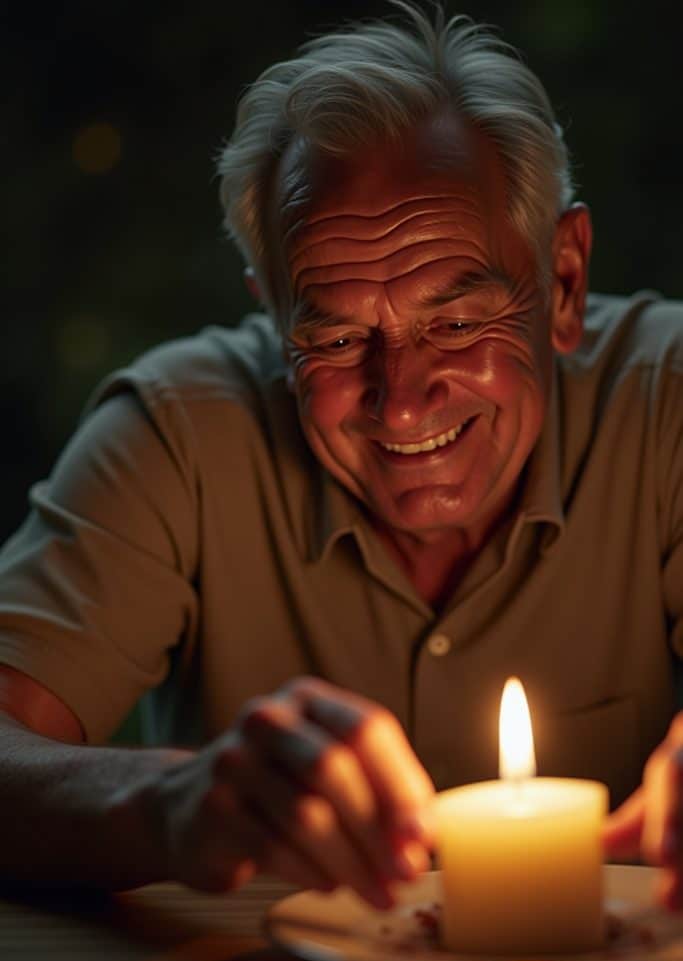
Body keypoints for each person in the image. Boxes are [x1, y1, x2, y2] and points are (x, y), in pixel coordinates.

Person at [0, 0, 681, 911]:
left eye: (456, 320)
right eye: (332, 340)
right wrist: (171, 803)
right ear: (273, 313)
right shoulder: (178, 430)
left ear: (561, 283)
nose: (398, 396)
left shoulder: (666, 398)